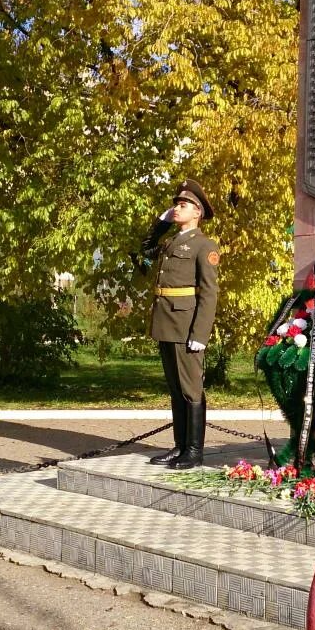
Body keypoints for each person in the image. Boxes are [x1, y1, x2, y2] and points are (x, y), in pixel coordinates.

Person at [138, 179, 220, 470]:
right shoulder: (171, 241)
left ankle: (195, 451)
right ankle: (180, 446)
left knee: (191, 388)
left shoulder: (204, 245)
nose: (176, 208)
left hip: (186, 325)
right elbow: (143, 251)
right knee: (175, 388)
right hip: (166, 322)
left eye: (182, 205)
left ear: (197, 212)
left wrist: (200, 333)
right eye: (175, 204)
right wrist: (160, 223)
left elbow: (209, 293)